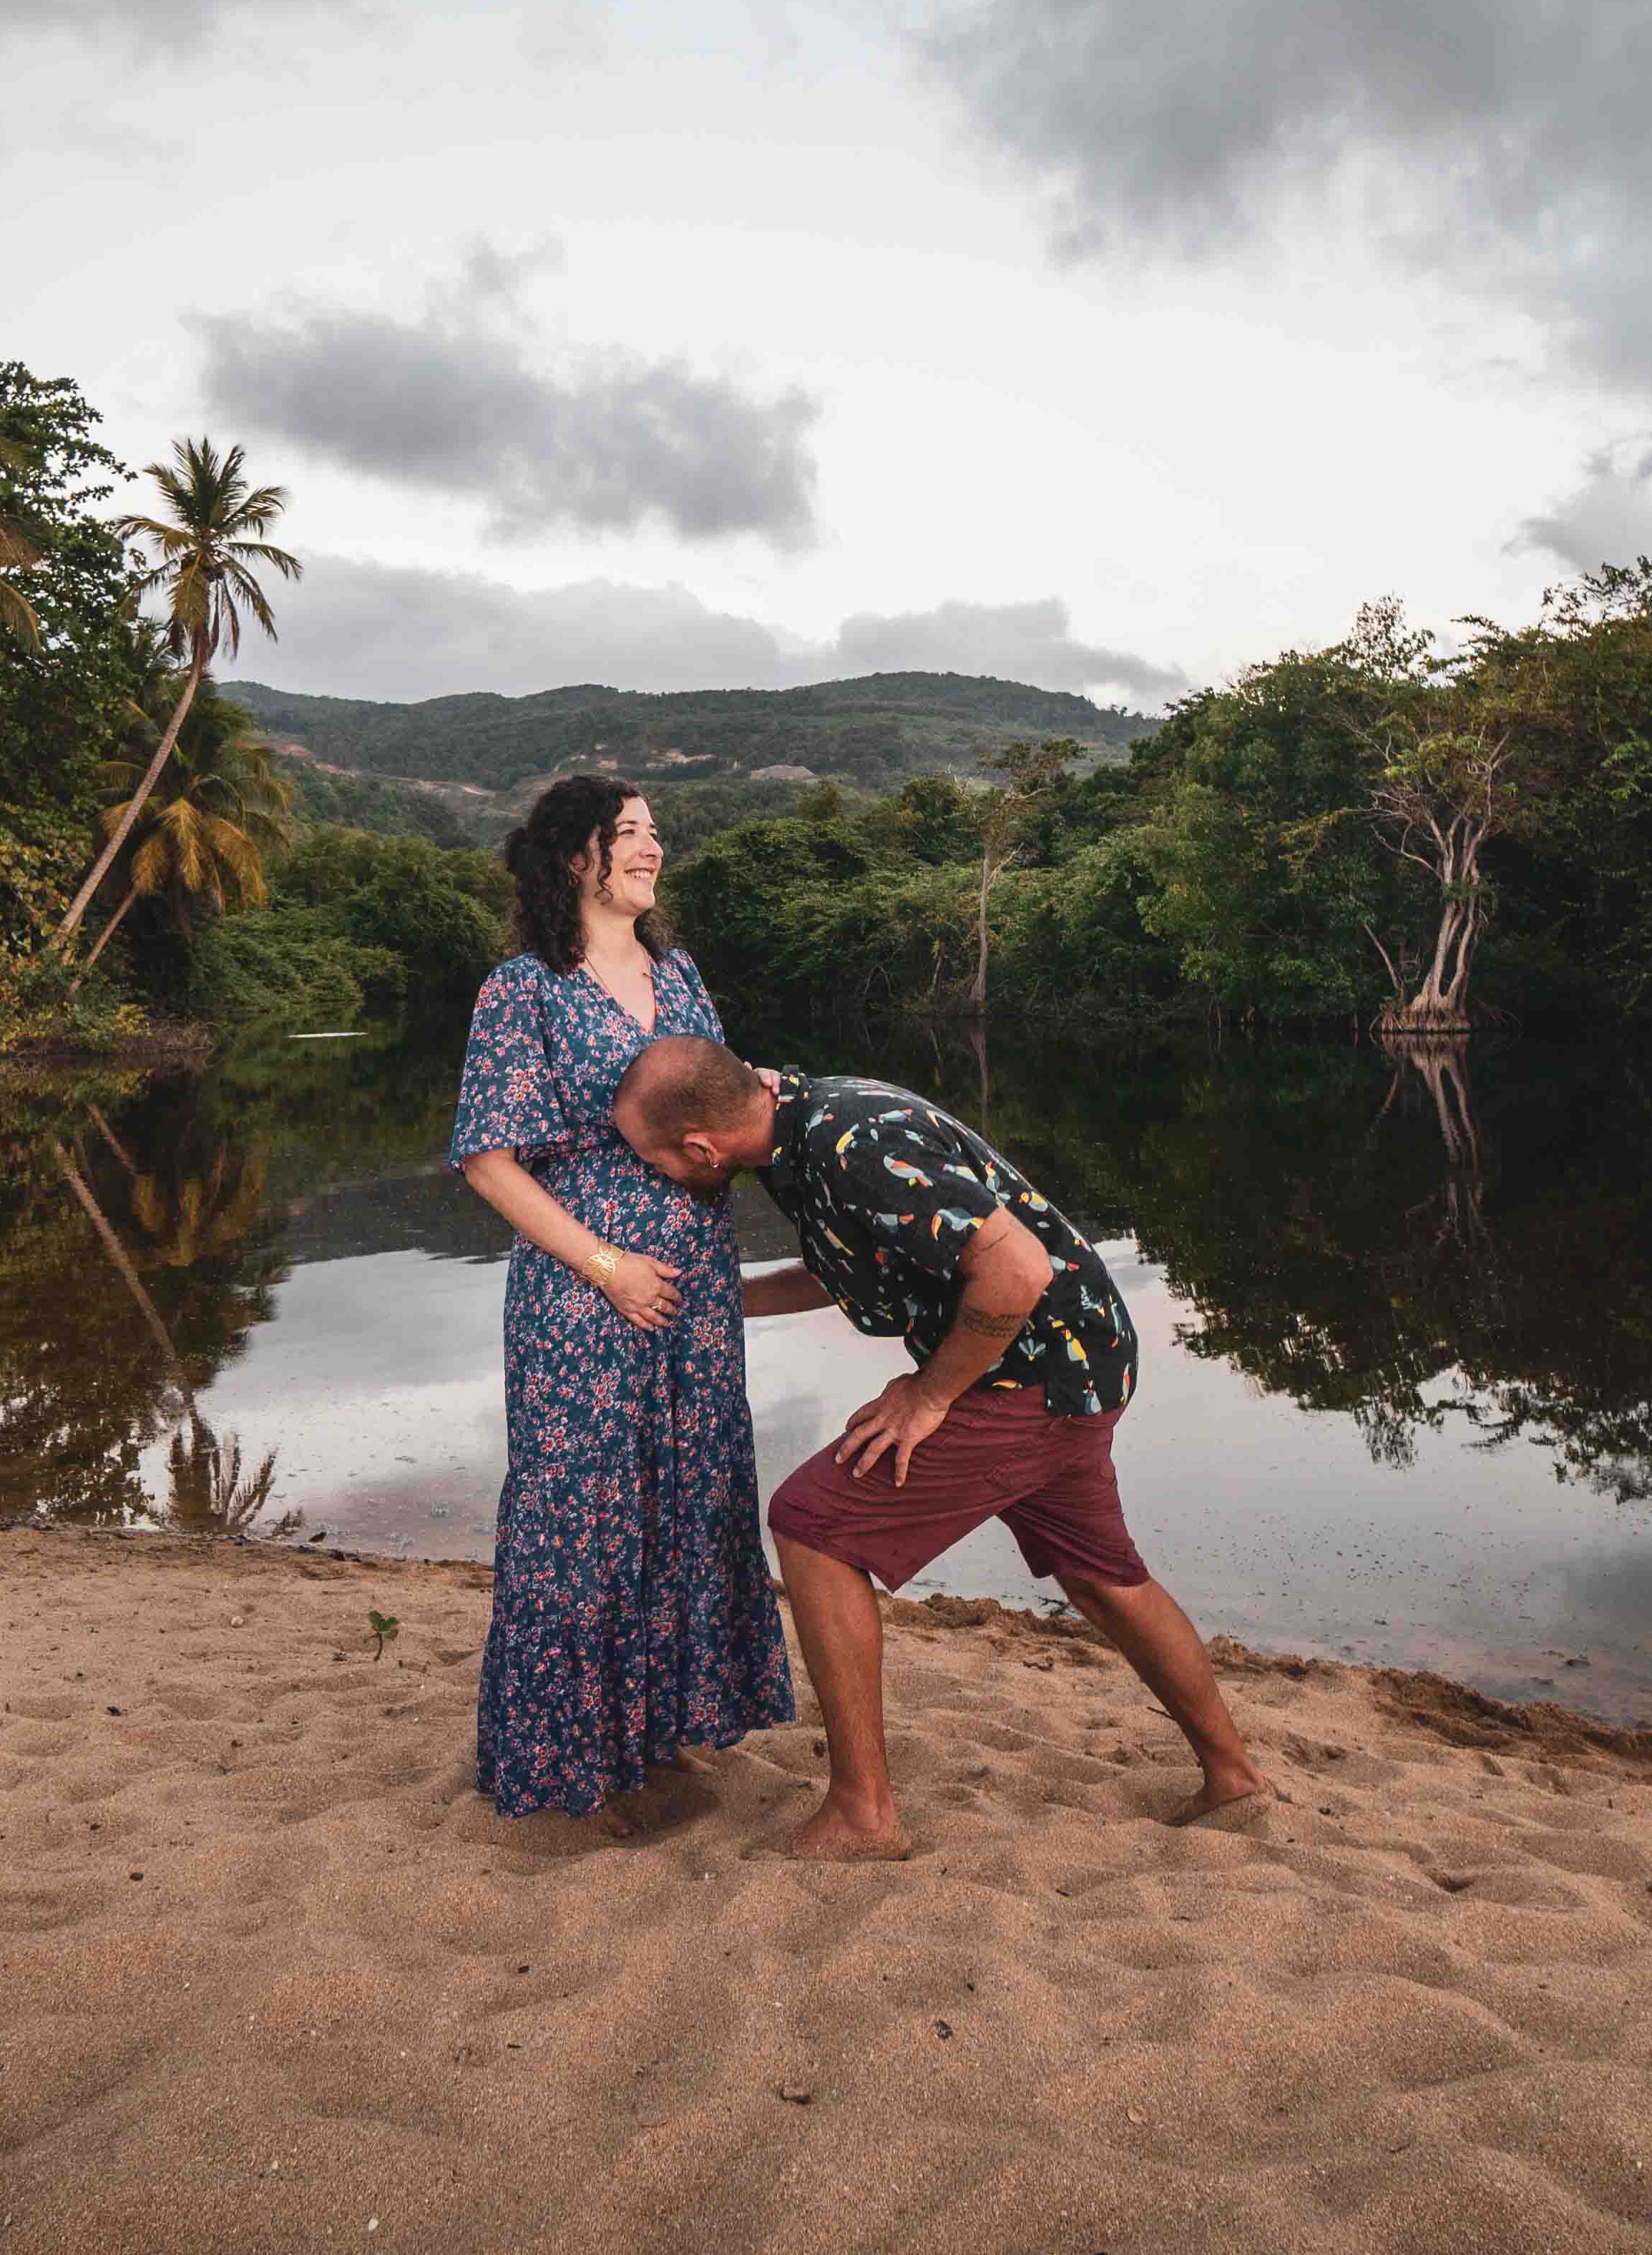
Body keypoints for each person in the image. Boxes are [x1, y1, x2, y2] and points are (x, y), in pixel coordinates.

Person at [612, 1035, 1270, 1861]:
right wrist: (721, 1303)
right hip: (1077, 1359)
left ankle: (862, 1813)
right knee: (1102, 1578)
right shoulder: (795, 1128)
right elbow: (852, 1263)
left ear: (702, 1147)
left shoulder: (856, 1146)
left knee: (814, 1524)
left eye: (657, 1162)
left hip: (1037, 1370)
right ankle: (1234, 1776)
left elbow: (1017, 1271)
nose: (661, 1177)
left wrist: (929, 1395)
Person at [448, 780, 792, 1834]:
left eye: (652, 832)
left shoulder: (680, 972)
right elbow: (488, 1162)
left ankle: (656, 1728)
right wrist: (607, 1266)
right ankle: (559, 1757)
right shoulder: (524, 989)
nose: (652, 847)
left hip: (692, 1284)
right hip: (582, 1291)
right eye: (627, 834)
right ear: (572, 861)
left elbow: (717, 1107)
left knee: (685, 1496)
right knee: (579, 1508)